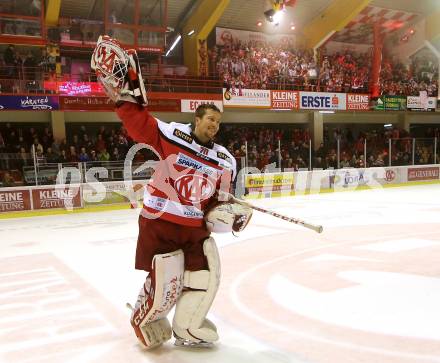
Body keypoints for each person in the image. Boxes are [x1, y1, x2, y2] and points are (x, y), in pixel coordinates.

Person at [91, 35, 252, 349]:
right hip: (162, 222)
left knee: (207, 272)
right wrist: (126, 99)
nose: (214, 126)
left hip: (194, 231)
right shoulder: (173, 134)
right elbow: (140, 125)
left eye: (218, 122)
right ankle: (145, 316)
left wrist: (233, 217)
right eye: (209, 120)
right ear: (197, 119)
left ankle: (187, 326)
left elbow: (216, 207)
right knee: (169, 274)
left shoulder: (225, 160)